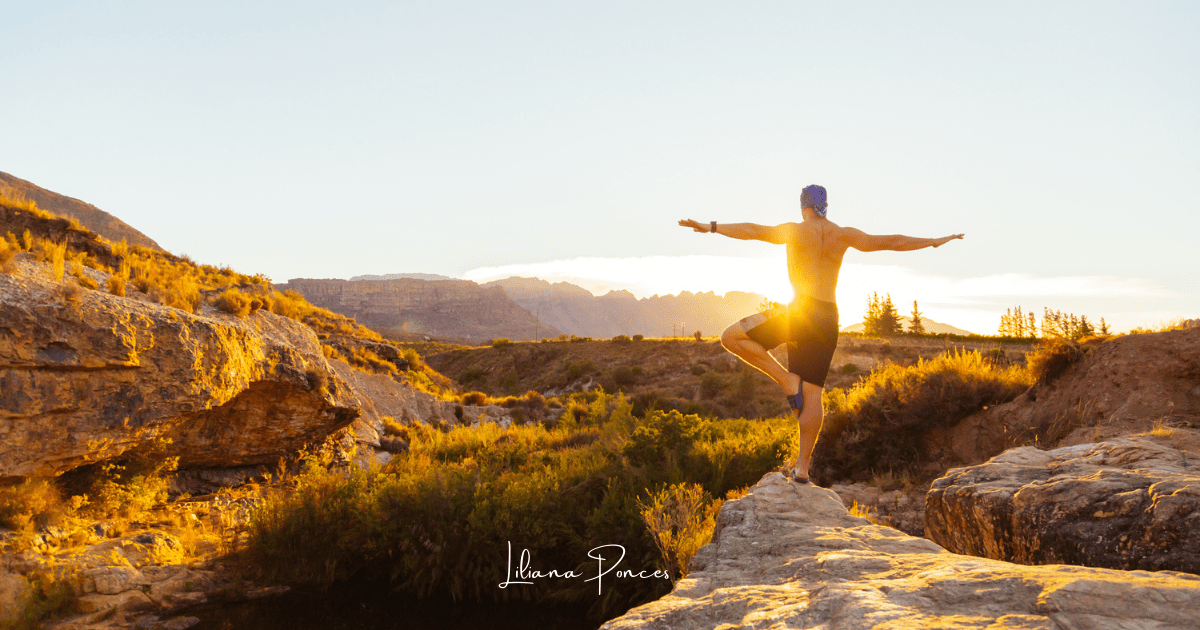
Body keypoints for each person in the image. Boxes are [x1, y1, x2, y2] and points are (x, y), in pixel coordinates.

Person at [678, 184, 963, 484]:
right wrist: (933, 242)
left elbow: (753, 231)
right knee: (813, 392)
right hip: (828, 318)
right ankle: (802, 468)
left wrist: (711, 227)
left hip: (799, 312)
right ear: (826, 206)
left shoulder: (795, 230)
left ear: (803, 206)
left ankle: (786, 380)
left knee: (731, 337)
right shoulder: (845, 235)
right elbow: (891, 241)